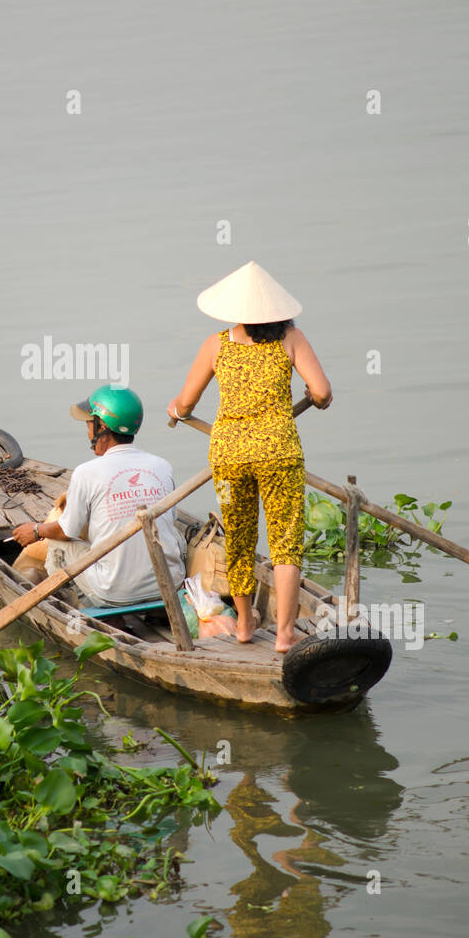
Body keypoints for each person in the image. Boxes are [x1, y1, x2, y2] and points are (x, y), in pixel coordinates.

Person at [166, 260, 332, 653]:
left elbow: (185, 404)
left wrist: (176, 411)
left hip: (230, 454)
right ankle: (286, 634)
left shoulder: (216, 344)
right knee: (285, 544)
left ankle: (243, 623)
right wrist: (314, 400)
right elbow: (322, 392)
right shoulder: (291, 339)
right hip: (279, 453)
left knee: (239, 539)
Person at [10, 385, 186, 607]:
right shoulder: (163, 466)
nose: (87, 432)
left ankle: (83, 603)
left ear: (102, 427)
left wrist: (36, 531)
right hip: (170, 584)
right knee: (176, 535)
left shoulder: (86, 472)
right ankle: (155, 606)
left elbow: (66, 531)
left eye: (88, 425)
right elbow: (170, 517)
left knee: (57, 544)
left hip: (113, 592)